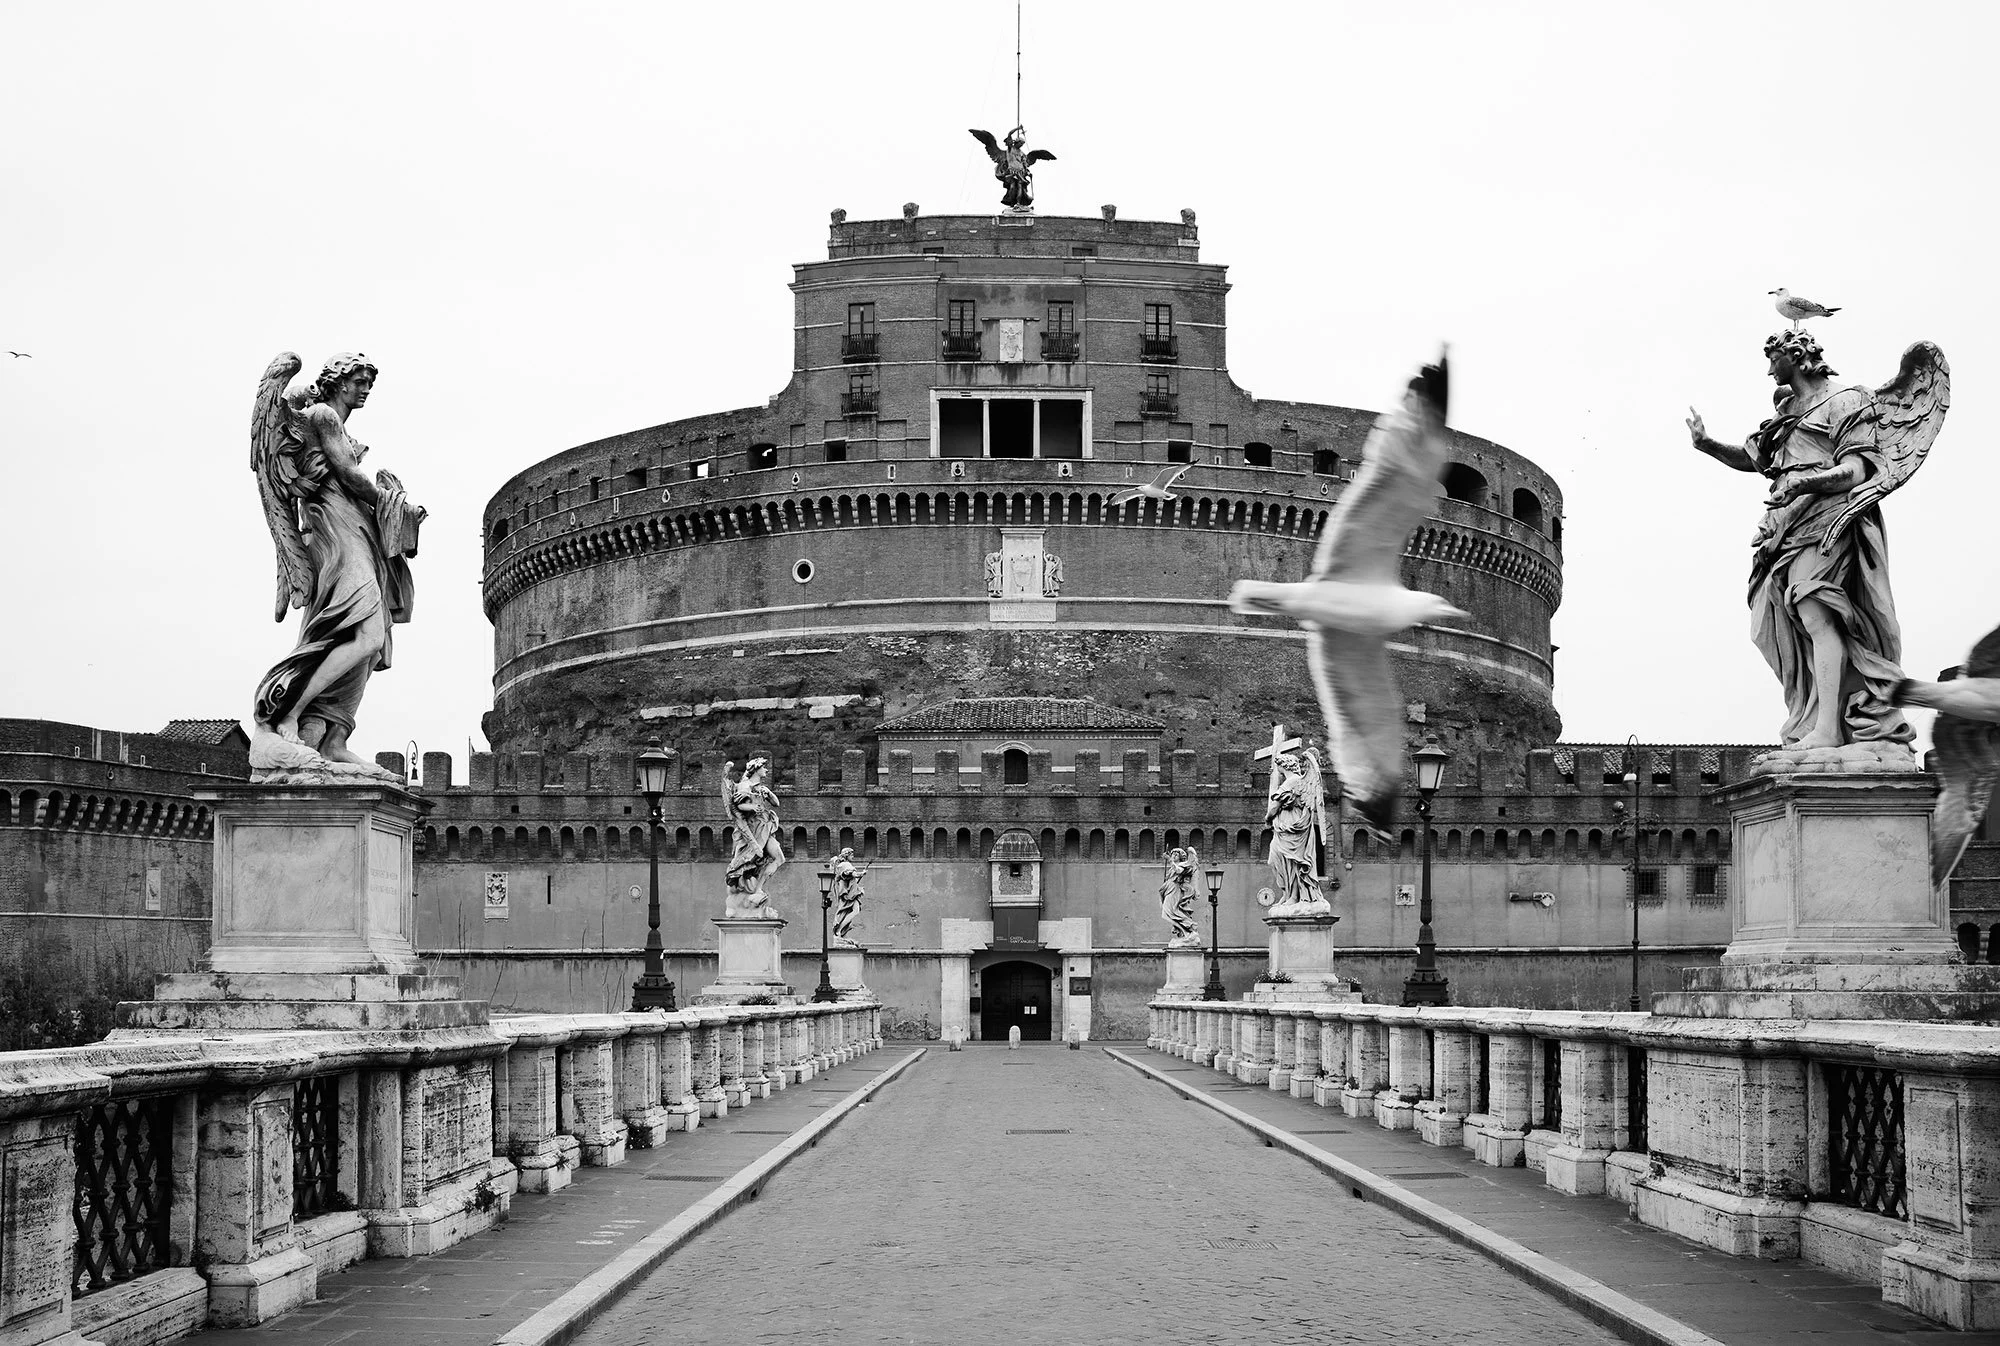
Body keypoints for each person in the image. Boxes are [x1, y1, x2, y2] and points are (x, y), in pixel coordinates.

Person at [1686, 330, 1913, 751]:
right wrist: (1706, 444)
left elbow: (1857, 471)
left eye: (1773, 358)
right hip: (1783, 525)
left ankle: (1828, 728)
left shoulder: (1847, 400)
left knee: (1814, 613)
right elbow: (1756, 459)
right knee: (1776, 624)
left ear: (1796, 355)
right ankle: (1811, 717)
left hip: (1827, 517)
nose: (1769, 368)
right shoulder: (1788, 408)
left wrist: (1804, 484)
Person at [250, 353, 424, 773]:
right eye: (359, 381)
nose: (365, 389)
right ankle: (287, 713)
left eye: (369, 382)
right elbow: (347, 474)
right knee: (363, 632)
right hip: (336, 531)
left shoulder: (335, 423)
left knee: (372, 639)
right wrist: (399, 505)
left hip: (356, 528)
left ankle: (332, 740)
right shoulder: (324, 415)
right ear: (337, 381)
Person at [723, 759, 786, 911]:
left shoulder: (761, 787)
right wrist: (751, 806)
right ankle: (746, 887)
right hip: (753, 829)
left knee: (779, 858)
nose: (767, 770)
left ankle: (758, 889)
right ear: (756, 769)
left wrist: (768, 793)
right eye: (764, 767)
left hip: (766, 827)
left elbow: (776, 803)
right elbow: (737, 805)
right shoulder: (745, 785)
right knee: (749, 859)